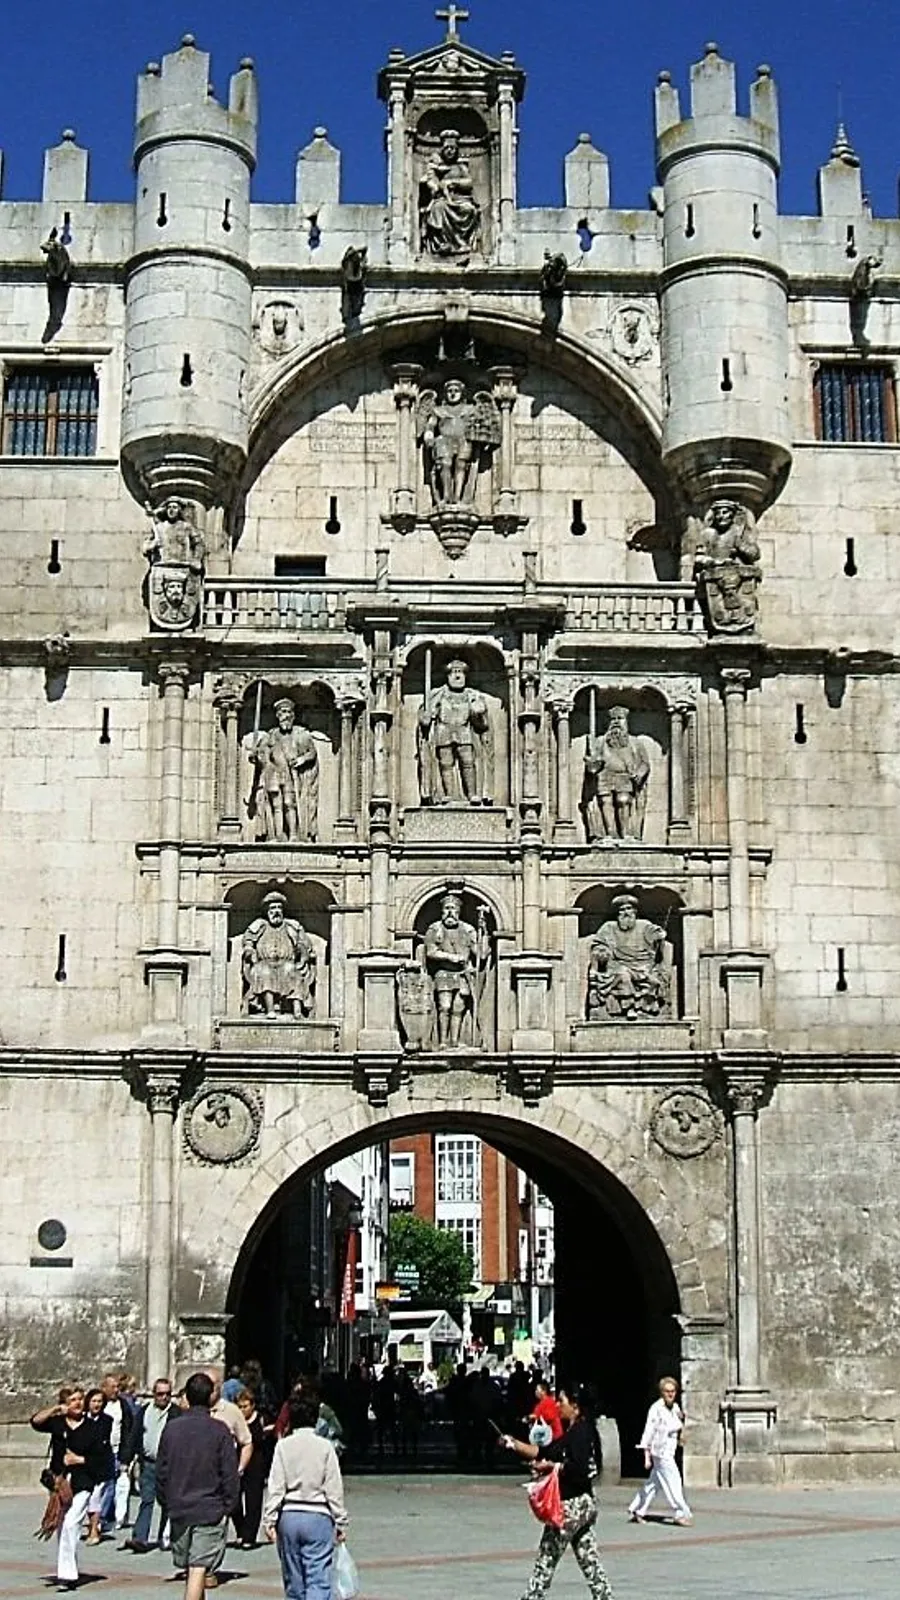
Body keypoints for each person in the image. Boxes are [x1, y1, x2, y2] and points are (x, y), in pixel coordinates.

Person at [501, 1385, 614, 1600]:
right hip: (584, 1505)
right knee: (587, 1557)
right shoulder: (576, 1432)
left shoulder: (581, 1433)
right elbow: (544, 1452)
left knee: (547, 1557)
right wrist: (514, 1444)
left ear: (576, 1407)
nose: (558, 1405)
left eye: (562, 1401)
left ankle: (532, 1597)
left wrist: (553, 1467)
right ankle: (604, 1596)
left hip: (569, 1505)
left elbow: (580, 1469)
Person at [156, 1371, 240, 1600]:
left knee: (192, 1566)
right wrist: (229, 1505)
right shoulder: (219, 1430)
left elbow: (161, 1470)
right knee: (197, 1569)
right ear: (211, 1397)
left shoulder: (171, 1429)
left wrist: (165, 1500)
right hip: (209, 1507)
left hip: (179, 1506)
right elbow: (229, 1473)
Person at [263, 1391, 348, 1600]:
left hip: (289, 1515)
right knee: (318, 1577)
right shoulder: (325, 1447)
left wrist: (269, 1519)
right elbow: (333, 1488)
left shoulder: (283, 1446)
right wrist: (341, 1521)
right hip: (318, 1514)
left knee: (294, 1580)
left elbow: (276, 1485)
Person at [31, 1385, 111, 1592]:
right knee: (61, 1524)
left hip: (83, 1482)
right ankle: (66, 1570)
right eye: (72, 1400)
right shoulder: (58, 1424)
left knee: (71, 1524)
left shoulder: (92, 1428)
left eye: (79, 1399)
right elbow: (36, 1421)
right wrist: (56, 1409)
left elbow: (103, 1459)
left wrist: (80, 1459)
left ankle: (68, 1575)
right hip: (60, 1483)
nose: (77, 1403)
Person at [417, 658, 493, 805]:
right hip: (443, 731)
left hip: (464, 732)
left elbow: (482, 726)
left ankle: (472, 794)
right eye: (453, 673)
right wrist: (425, 719)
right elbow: (426, 716)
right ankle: (448, 794)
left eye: (460, 673)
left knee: (468, 763)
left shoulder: (473, 696)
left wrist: (479, 713)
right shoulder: (437, 695)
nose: (457, 676)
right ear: (447, 676)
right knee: (446, 763)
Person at [250, 697, 319, 842]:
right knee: (276, 805)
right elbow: (261, 755)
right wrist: (255, 756)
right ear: (277, 715)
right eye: (282, 712)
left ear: (293, 715)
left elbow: (311, 753)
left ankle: (293, 835)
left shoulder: (301, 734)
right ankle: (277, 835)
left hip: (290, 774)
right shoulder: (270, 735)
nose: (286, 715)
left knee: (289, 803)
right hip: (273, 774)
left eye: (288, 712)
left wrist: (301, 760)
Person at [124, 1376, 180, 1553]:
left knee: (167, 1502)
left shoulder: (177, 1414)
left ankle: (166, 1538)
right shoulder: (144, 1411)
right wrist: (126, 1459)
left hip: (169, 1465)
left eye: (167, 1394)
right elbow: (134, 1435)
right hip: (148, 1462)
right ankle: (140, 1537)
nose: (164, 1397)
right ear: (153, 1395)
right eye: (160, 1394)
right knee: (146, 1500)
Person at [628, 1376, 692, 1526]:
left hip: (670, 1450)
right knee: (674, 1481)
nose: (670, 1394)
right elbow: (648, 1432)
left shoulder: (675, 1408)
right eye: (667, 1391)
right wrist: (646, 1456)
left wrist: (681, 1434)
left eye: (673, 1391)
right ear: (661, 1392)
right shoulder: (656, 1409)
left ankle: (638, 1509)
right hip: (661, 1452)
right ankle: (680, 1512)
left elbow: (679, 1424)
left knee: (653, 1484)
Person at [242, 891, 317, 1019]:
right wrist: (250, 951)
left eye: (279, 908)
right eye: (272, 908)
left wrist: (301, 950)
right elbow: (248, 942)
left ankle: (297, 1011)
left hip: (287, 962)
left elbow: (305, 944)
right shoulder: (259, 926)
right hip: (264, 962)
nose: (276, 911)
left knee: (292, 970)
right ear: (267, 911)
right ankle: (270, 1010)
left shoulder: (293, 926)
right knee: (264, 971)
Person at [98, 1372, 137, 1534]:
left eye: (117, 1387)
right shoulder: (98, 1404)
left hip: (116, 1450)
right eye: (112, 1387)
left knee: (112, 1485)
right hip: (100, 1451)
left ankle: (104, 1517)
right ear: (104, 1388)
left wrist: (127, 1454)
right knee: (104, 1486)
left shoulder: (123, 1405)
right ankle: (101, 1515)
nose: (116, 1390)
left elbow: (128, 1430)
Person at [233, 1389, 267, 1549]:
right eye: (239, 1406)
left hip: (255, 1464)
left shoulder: (260, 1419)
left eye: (245, 1406)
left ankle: (249, 1536)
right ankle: (240, 1530)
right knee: (234, 1501)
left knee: (253, 1501)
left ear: (252, 1406)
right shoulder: (235, 1420)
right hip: (237, 1461)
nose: (242, 1410)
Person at [82, 1388, 115, 1545]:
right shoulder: (81, 1419)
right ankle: (90, 1527)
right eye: (94, 1401)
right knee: (85, 1499)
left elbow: (102, 1442)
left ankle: (94, 1529)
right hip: (82, 1464)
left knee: (95, 1498)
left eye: (100, 1402)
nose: (96, 1405)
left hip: (99, 1464)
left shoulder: (106, 1420)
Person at [529, 1379, 563, 1447]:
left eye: (537, 1390)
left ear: (544, 1391)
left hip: (553, 1437)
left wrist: (536, 1417)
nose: (535, 1392)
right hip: (544, 1437)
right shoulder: (539, 1404)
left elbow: (550, 1417)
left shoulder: (549, 1401)